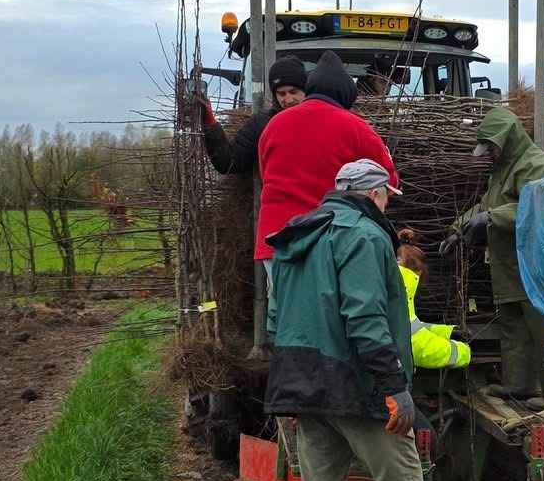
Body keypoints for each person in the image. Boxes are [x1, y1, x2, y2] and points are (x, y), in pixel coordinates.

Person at [264, 157, 423, 481]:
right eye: (386, 198)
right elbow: (364, 318)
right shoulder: (366, 236)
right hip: (352, 381)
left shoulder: (299, 234)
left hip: (300, 382)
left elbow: (276, 318)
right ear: (376, 194)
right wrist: (394, 386)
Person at [444, 103, 544, 397]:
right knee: (512, 325)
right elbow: (486, 204)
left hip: (534, 265)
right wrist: (459, 228)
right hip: (510, 264)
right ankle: (517, 385)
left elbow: (540, 207)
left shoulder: (536, 165)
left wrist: (493, 218)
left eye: (492, 147)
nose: (490, 154)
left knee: (543, 330)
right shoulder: (503, 170)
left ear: (508, 138)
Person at [255, 51, 399, 267]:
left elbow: (265, 175)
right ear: (345, 95)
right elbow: (388, 182)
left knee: (284, 300)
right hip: (326, 237)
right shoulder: (356, 127)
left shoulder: (273, 126)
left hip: (276, 239)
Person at [195, 56, 307, 175]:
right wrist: (210, 123)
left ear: (305, 89)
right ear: (275, 95)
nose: (288, 99)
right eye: (282, 94)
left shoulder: (324, 119)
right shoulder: (263, 123)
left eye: (293, 92)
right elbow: (229, 162)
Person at [397, 232, 471, 372]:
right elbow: (415, 344)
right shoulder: (399, 287)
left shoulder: (390, 285)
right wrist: (462, 352)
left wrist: (448, 332)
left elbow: (413, 326)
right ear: (416, 270)